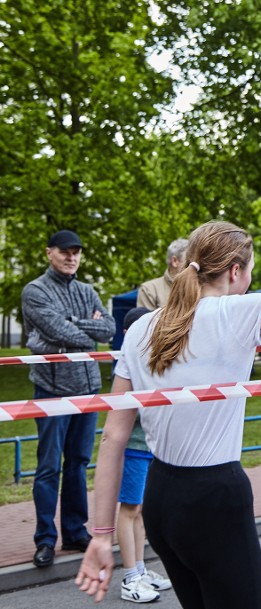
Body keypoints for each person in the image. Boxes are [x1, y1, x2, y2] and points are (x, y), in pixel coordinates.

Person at [75, 190, 261, 607]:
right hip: (214, 497)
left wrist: (102, 536)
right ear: (235, 271)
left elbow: (112, 439)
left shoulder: (140, 329)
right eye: (250, 270)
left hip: (160, 500)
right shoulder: (241, 311)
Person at [22, 229, 116, 568]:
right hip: (51, 391)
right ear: (49, 253)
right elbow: (54, 331)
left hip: (88, 390)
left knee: (77, 463)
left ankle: (76, 532)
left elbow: (107, 330)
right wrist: (79, 330)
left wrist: (71, 324)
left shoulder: (86, 290)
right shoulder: (35, 291)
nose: (71, 257)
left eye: (76, 252)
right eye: (64, 251)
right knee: (48, 467)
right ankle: (45, 539)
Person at [114, 307, 172, 604]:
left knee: (139, 511)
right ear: (129, 333)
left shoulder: (150, 358)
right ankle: (129, 577)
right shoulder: (127, 362)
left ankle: (139, 569)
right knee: (129, 510)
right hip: (134, 448)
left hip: (148, 447)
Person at [136, 238, 189, 309]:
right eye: (189, 260)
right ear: (175, 261)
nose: (195, 264)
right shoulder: (149, 290)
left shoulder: (202, 288)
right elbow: (146, 319)